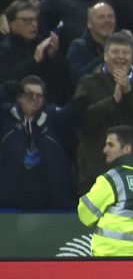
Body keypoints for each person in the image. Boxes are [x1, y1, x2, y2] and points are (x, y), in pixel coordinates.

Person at [75, 31, 133, 195]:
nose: (121, 57)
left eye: (125, 52)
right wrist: (113, 101)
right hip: (97, 168)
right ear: (105, 56)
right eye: (115, 52)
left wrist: (129, 91)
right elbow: (82, 119)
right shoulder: (88, 81)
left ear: (132, 56)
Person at [0, 75, 84, 210]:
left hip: (49, 203)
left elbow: (68, 116)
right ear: (19, 97)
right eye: (29, 94)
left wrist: (77, 105)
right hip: (8, 202)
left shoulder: (53, 117)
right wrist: (4, 90)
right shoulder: (6, 116)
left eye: (39, 95)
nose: (34, 98)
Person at [77, 125, 133, 256]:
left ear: (127, 149)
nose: (105, 150)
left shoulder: (111, 179)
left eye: (110, 145)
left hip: (110, 259)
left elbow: (85, 215)